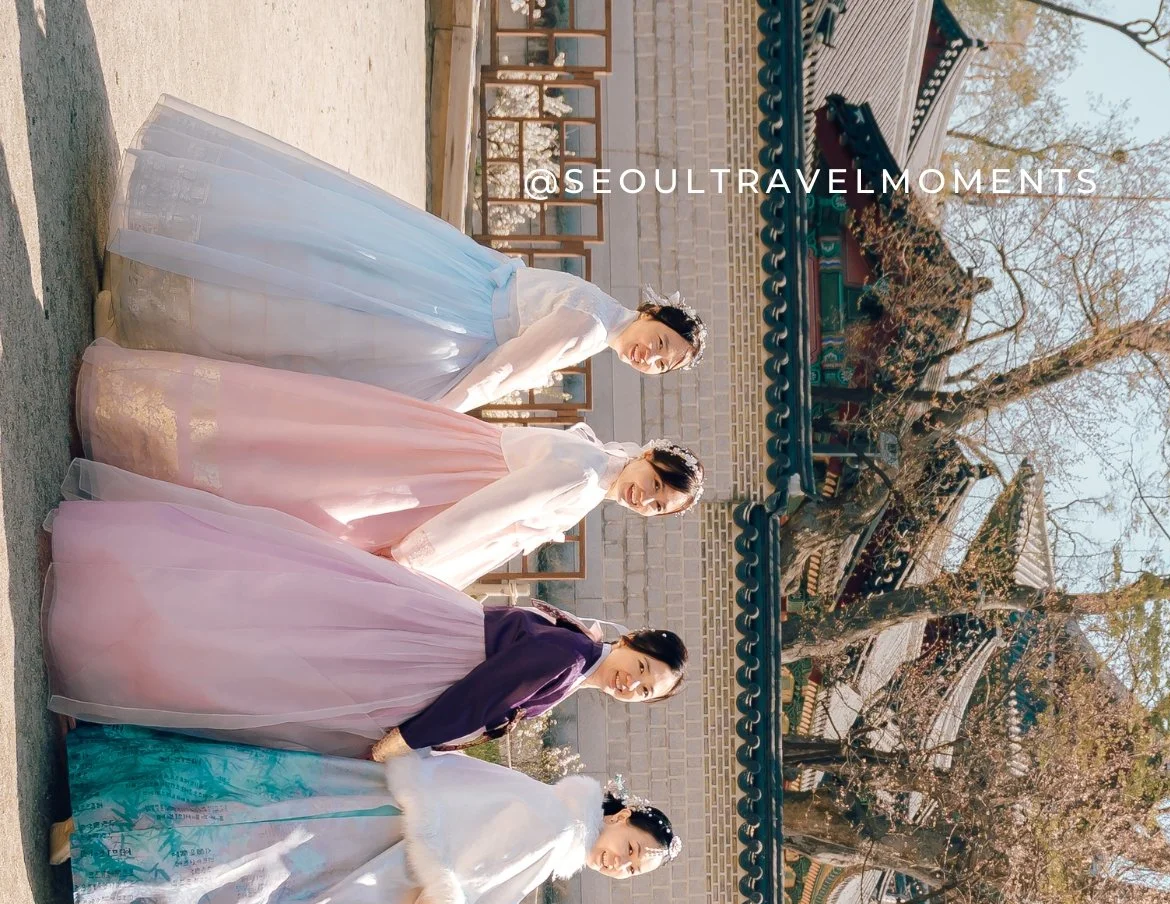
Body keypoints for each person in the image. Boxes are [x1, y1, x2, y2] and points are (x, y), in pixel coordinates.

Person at [97, 97, 705, 406]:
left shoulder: (596, 307)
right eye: (662, 343)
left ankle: (163, 272)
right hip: (450, 325)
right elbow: (504, 370)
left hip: (456, 280)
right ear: (652, 315)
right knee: (312, 324)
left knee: (318, 268)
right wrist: (443, 411)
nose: (651, 357)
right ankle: (155, 303)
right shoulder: (591, 327)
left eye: (662, 364)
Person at [44, 467, 686, 757]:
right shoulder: (571, 657)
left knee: (278, 622)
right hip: (426, 662)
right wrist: (410, 739)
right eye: (642, 670)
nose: (631, 686)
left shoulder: (574, 648)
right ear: (632, 643)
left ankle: (120, 624)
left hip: (429, 634)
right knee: (271, 662)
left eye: (644, 693)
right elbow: (486, 694)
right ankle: (115, 644)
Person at [56, 737, 679, 904]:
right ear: (621, 816)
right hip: (380, 862)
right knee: (254, 881)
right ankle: (103, 860)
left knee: (253, 827)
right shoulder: (557, 830)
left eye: (632, 871)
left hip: (381, 821)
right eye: (630, 851)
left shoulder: (553, 811)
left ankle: (100, 824)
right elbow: (456, 882)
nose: (620, 865)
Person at [77, 341, 704, 588]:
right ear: (647, 457)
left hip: (442, 461)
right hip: (439, 490)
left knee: (301, 456)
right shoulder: (582, 475)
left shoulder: (591, 466)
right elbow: (493, 510)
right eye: (653, 485)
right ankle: (145, 460)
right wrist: (413, 557)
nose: (644, 500)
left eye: (655, 507)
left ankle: (146, 450)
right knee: (305, 493)